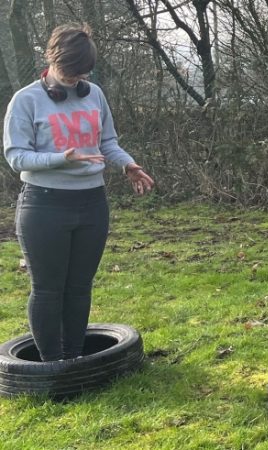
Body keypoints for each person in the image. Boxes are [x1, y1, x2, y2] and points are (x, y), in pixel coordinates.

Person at [3, 24, 154, 362]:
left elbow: (107, 144)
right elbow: (16, 156)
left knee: (79, 286)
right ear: (51, 58)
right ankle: (50, 367)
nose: (75, 79)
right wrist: (62, 158)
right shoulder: (25, 100)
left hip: (91, 203)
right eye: (69, 72)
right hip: (44, 204)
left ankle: (74, 360)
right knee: (48, 289)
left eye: (81, 73)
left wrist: (129, 166)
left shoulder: (94, 94)